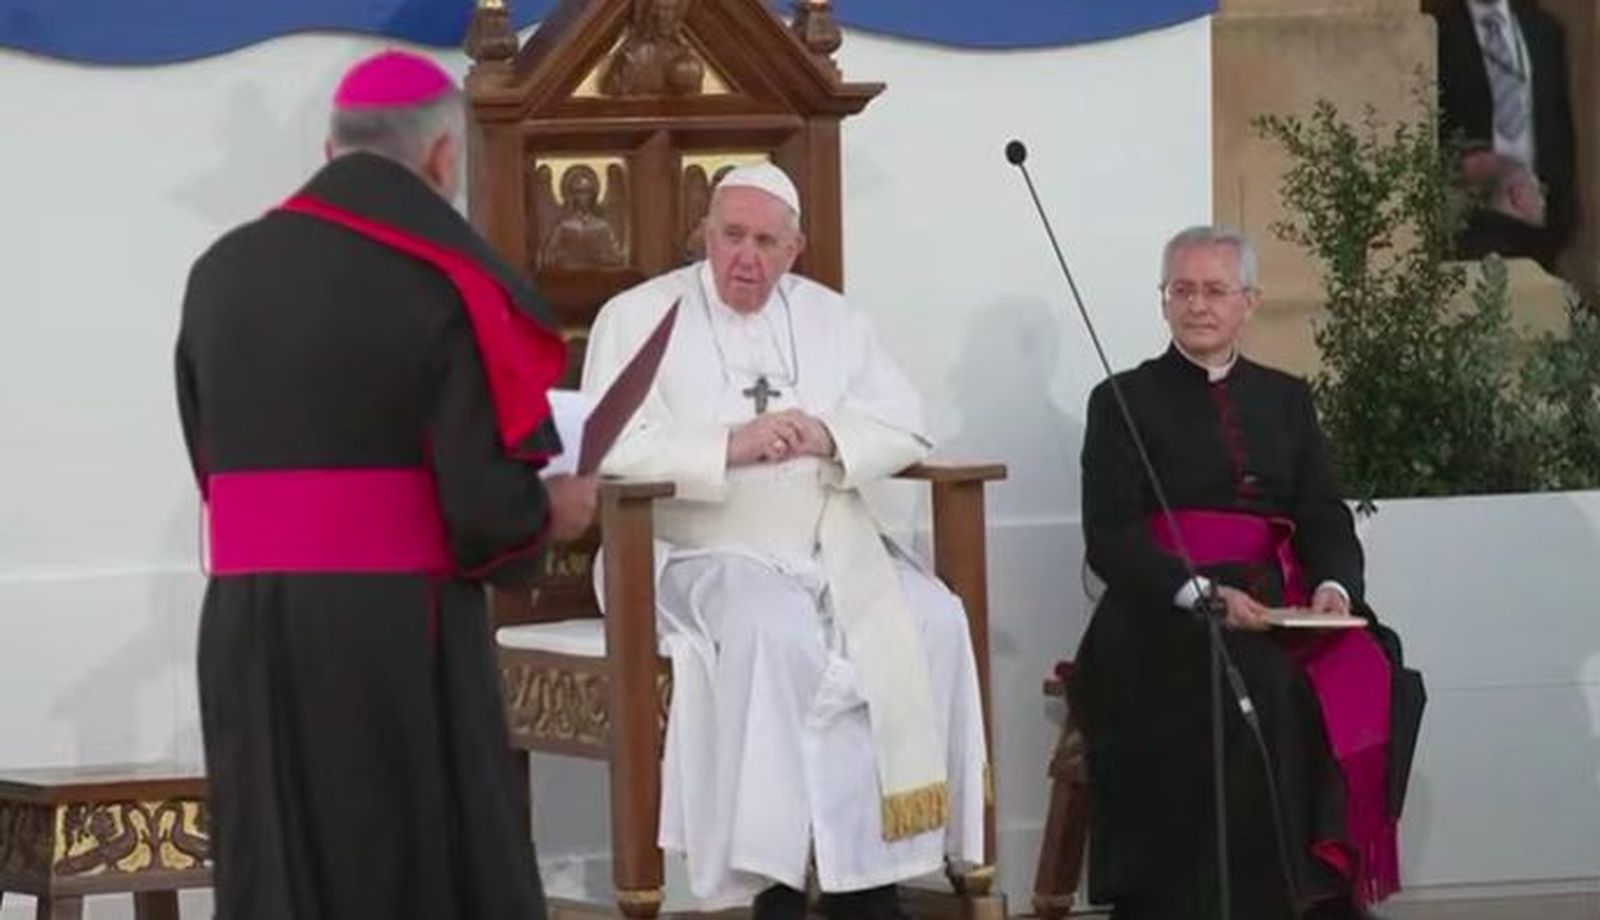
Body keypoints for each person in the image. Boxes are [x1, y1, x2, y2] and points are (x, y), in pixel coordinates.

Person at [174, 49, 598, 919]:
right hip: (394, 629)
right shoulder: (446, 283)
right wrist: (546, 515)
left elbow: (207, 452)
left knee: (275, 866)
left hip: (247, 624)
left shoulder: (221, 271)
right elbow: (484, 512)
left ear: (331, 150)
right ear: (442, 157)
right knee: (403, 868)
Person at [581, 163, 988, 919]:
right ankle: (774, 879)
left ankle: (874, 875)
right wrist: (729, 445)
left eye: (766, 242)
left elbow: (907, 421)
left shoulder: (836, 319)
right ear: (705, 234)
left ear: (795, 248)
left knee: (932, 619)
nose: (746, 257)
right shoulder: (637, 318)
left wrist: (829, 433)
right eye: (731, 236)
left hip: (828, 541)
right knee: (777, 631)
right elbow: (605, 446)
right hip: (692, 549)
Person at [1071, 226, 1425, 919]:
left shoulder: (1286, 398)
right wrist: (1201, 594)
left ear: (1249, 302)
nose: (1197, 305)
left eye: (1214, 290)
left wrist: (1332, 590)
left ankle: (1326, 886)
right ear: (1164, 300)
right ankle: (1252, 901)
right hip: (1163, 611)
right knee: (1261, 683)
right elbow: (1110, 538)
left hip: (1278, 599)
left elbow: (1322, 515)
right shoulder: (1119, 400)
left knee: (1375, 664)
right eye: (1182, 290)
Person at [1435, 0, 1577, 271]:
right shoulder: (1441, 34)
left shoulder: (1544, 28)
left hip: (1542, 216)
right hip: (1478, 218)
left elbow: (1559, 117)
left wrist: (1563, 203)